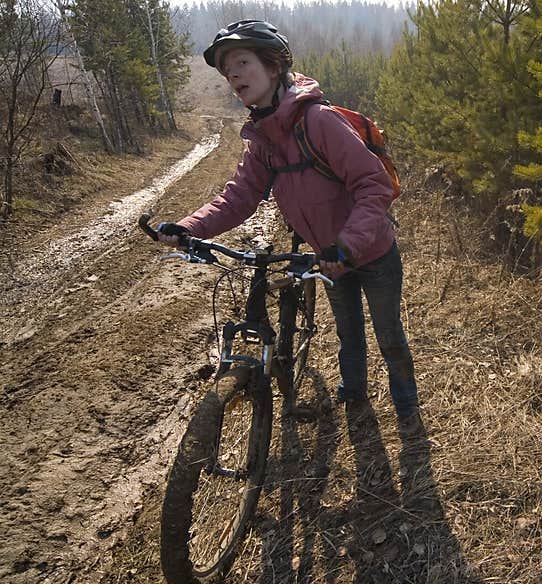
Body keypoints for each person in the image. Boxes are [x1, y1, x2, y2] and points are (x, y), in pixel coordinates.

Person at [156, 20, 421, 431]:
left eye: (243, 63)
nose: (234, 76)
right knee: (348, 335)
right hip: (328, 258)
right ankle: (355, 399)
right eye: (228, 71)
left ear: (274, 67)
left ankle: (407, 410)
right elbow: (239, 197)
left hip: (371, 251)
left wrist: (346, 245)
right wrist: (190, 228)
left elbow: (375, 185)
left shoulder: (320, 121)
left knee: (388, 334)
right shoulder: (263, 140)